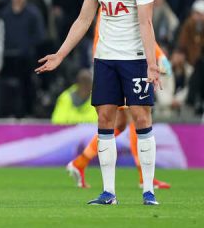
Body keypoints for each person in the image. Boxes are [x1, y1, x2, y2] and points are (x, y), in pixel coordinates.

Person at [37, 0, 161, 206]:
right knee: (105, 120)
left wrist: (151, 65)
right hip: (105, 59)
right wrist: (60, 54)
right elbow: (83, 20)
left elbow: (145, 22)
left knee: (142, 119)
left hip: (135, 58)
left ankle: (148, 191)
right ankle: (109, 193)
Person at [65, 12, 171, 190]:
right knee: (135, 117)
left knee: (121, 123)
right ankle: (143, 177)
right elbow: (138, 27)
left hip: (111, 59)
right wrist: (159, 55)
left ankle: (80, 163)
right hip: (117, 61)